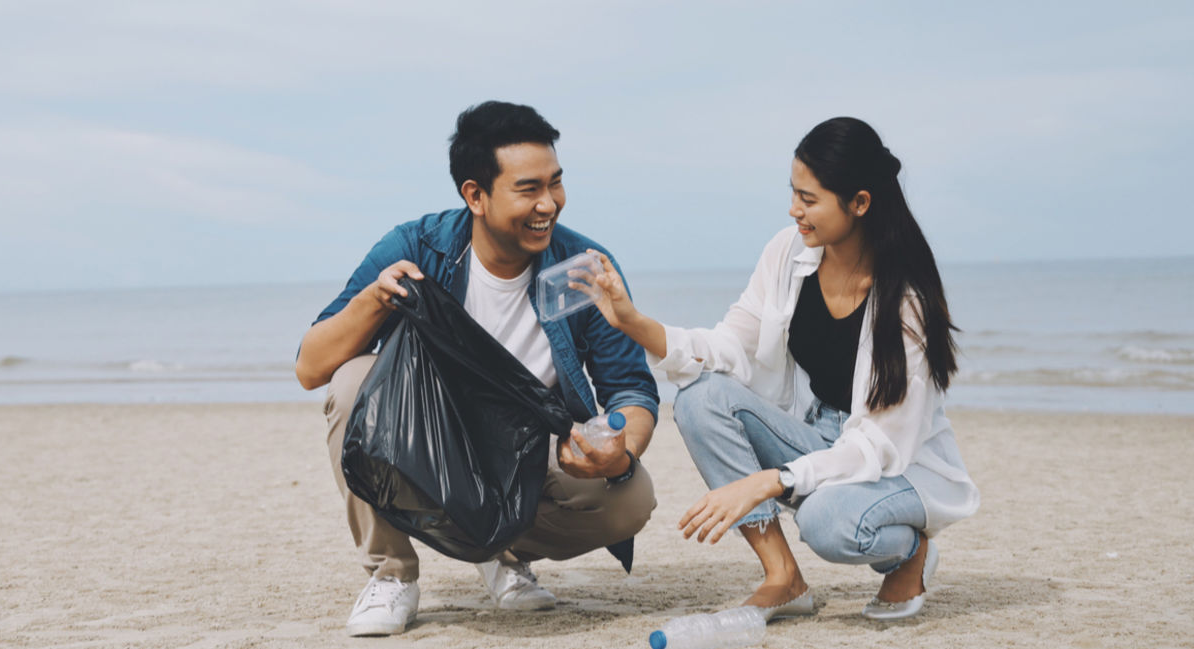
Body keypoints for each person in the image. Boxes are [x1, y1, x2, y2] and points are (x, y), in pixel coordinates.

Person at [581, 117, 979, 621]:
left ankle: (910, 553)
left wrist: (771, 480)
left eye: (809, 200)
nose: (795, 211)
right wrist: (631, 320)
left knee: (827, 522)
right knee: (701, 398)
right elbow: (729, 346)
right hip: (817, 437)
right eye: (794, 194)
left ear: (859, 203)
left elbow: (876, 446)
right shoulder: (788, 252)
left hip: (896, 465)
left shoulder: (906, 305)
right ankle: (783, 578)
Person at [295, 101, 660, 636]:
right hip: (430, 440)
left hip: (527, 451)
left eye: (555, 183)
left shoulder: (582, 266)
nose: (549, 204)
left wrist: (620, 448)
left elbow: (631, 389)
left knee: (631, 498)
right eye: (528, 188)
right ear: (475, 195)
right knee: (353, 384)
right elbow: (311, 367)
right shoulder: (418, 246)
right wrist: (375, 301)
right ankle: (392, 575)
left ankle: (502, 553)